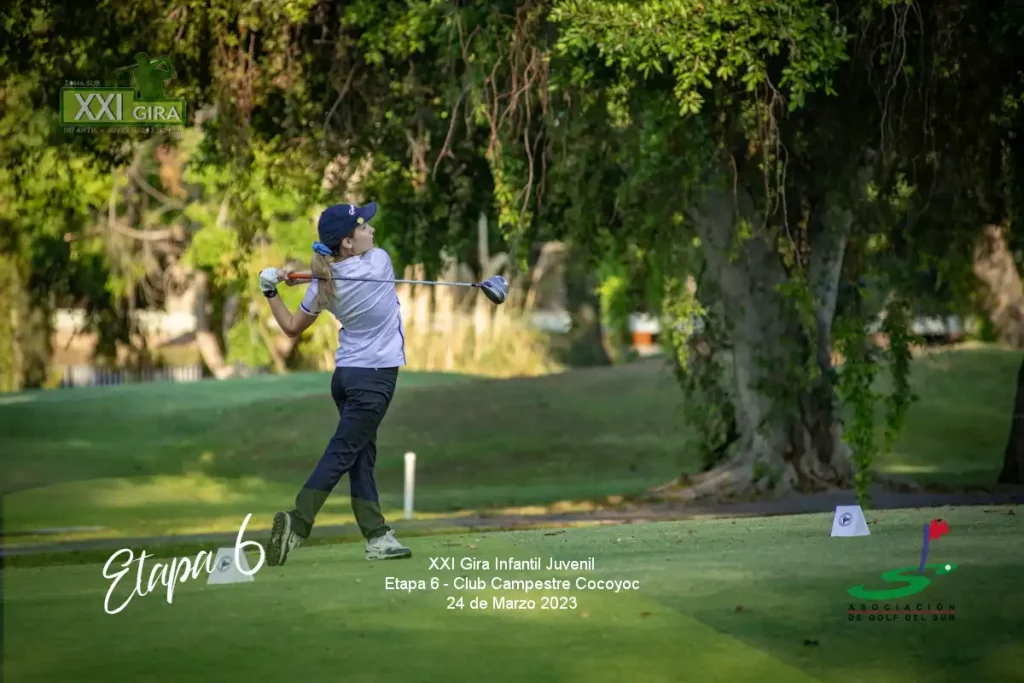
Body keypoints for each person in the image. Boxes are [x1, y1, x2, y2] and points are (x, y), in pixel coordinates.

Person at [258, 201, 413, 564]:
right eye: (364, 226)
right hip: (374, 379)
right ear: (347, 242)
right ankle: (298, 521)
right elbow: (343, 269)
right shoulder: (379, 262)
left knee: (360, 454)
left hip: (345, 377)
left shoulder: (322, 286)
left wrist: (271, 290)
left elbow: (291, 327)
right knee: (344, 452)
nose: (371, 230)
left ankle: (377, 536)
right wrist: (301, 276)